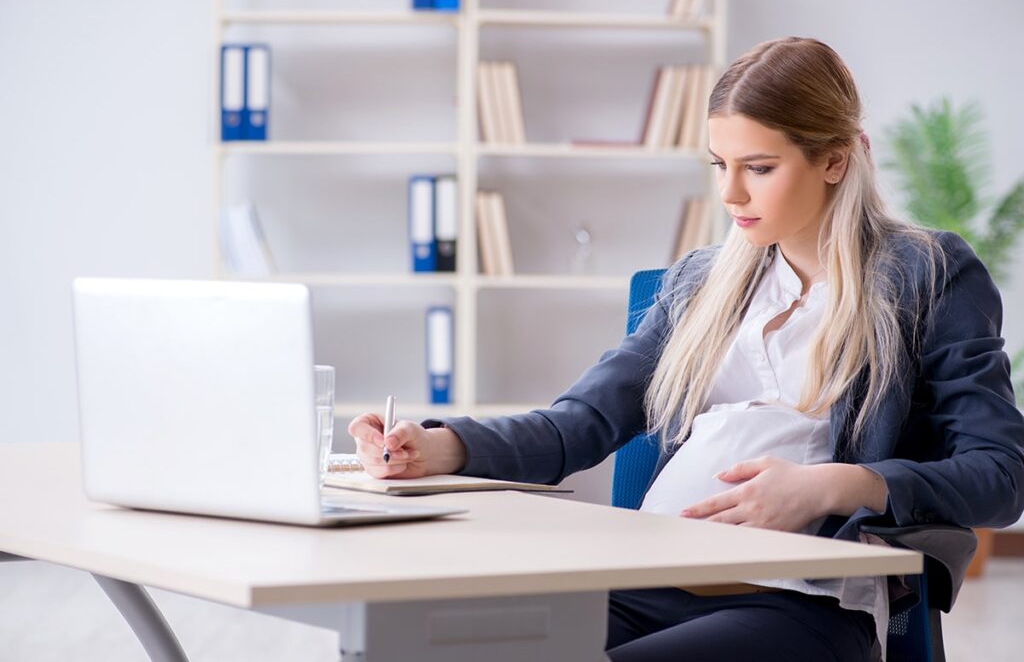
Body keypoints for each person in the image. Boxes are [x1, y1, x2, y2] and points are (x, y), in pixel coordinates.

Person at [347, 36, 1024, 661]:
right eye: (720, 165)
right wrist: (437, 447)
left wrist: (834, 486)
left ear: (834, 161)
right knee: (431, 645)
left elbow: (1000, 475)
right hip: (643, 578)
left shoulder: (927, 275)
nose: (730, 193)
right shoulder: (702, 280)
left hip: (799, 604)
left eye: (758, 167)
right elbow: (578, 424)